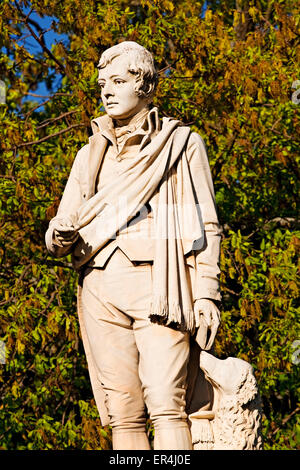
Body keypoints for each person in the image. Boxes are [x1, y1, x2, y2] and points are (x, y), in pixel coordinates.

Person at [45, 41, 221, 450]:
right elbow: (58, 231)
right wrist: (59, 234)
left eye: (118, 81)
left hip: (161, 284)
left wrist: (207, 293)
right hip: (100, 287)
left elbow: (207, 223)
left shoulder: (180, 143)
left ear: (145, 86)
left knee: (166, 404)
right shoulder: (89, 154)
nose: (106, 90)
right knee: (122, 413)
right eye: (103, 83)